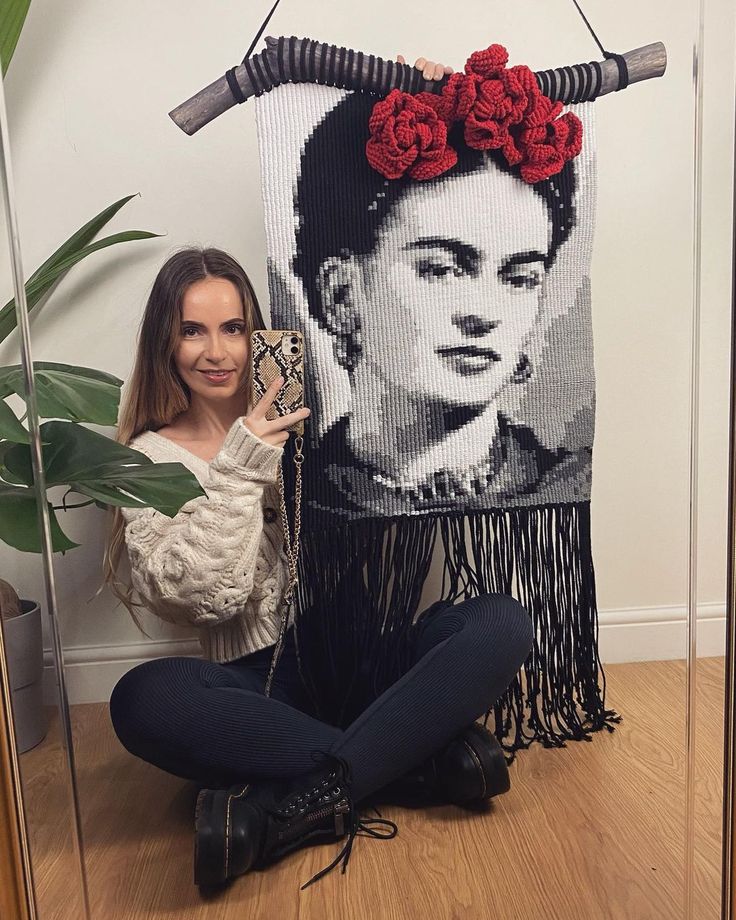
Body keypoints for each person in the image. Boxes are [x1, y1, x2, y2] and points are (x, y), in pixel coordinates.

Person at [104, 58, 535, 894]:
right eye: (194, 332)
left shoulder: (313, 422)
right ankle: (410, 760)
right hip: (249, 680)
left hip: (346, 657)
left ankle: (291, 802)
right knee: (142, 698)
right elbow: (209, 598)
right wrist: (246, 457)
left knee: (498, 623)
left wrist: (425, 101)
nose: (219, 351)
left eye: (235, 327)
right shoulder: (145, 457)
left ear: (259, 333)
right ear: (166, 343)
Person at [290, 86, 591, 519]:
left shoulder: (566, 491)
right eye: (441, 269)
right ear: (342, 295)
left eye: (520, 278)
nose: (483, 314)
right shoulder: (298, 502)